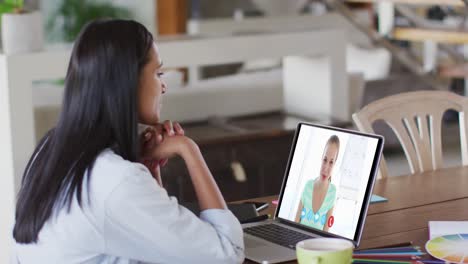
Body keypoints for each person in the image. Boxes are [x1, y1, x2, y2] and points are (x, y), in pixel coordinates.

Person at [12, 19, 244, 264]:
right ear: (127, 82)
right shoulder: (116, 180)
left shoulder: (50, 150)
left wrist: (151, 170)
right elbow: (227, 253)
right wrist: (189, 149)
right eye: (158, 73)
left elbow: (160, 246)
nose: (163, 86)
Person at [294, 135, 340, 232]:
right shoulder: (308, 185)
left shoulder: (333, 192)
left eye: (331, 162)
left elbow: (325, 232)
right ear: (321, 158)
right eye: (325, 160)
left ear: (335, 163)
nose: (326, 168)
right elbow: (295, 223)